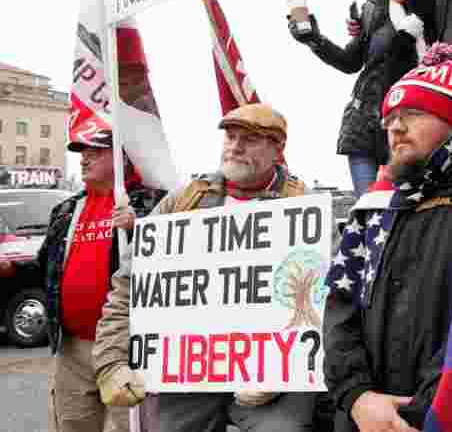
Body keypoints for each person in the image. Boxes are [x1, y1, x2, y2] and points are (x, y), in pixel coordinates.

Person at [92, 103, 314, 432]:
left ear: (278, 149)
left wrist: (285, 367)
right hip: (187, 371)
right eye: (231, 136)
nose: (236, 147)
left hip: (270, 377)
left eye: (250, 140)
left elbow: (324, 299)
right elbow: (130, 286)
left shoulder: (303, 209)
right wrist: (111, 362)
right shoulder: (183, 202)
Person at [323, 44, 452, 432]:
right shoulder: (372, 209)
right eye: (391, 118)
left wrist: (412, 416)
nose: (394, 127)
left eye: (412, 114)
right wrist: (357, 397)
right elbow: (340, 312)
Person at [37, 129, 165, 432]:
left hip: (126, 345)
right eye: (82, 152)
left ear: (120, 157)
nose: (84, 158)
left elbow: (175, 254)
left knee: (128, 426)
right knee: (72, 424)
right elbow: (47, 263)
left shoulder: (152, 202)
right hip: (72, 347)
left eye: (95, 151)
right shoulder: (66, 209)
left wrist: (140, 227)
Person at [291, 0, 436, 196]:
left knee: (402, 212)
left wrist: (406, 38)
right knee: (369, 211)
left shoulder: (433, 13)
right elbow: (349, 62)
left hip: (410, 127)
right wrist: (314, 39)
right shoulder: (373, 10)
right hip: (365, 127)